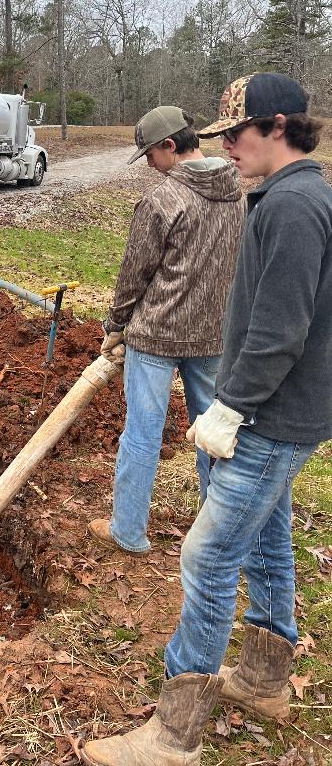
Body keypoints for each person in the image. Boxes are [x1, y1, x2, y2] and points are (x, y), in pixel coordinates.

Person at [83, 72, 332, 766]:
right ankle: (262, 677)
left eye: (237, 135)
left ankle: (173, 734)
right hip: (285, 410)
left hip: (272, 416)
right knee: (268, 539)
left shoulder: (292, 206)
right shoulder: (284, 196)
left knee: (208, 553)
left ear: (276, 125)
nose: (228, 150)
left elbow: (282, 330)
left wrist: (232, 407)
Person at [89, 105, 244, 555]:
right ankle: (215, 534)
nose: (151, 165)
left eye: (151, 155)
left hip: (156, 335)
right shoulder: (238, 194)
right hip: (213, 335)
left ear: (169, 146)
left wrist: (115, 325)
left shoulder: (161, 201)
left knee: (142, 433)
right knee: (214, 435)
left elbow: (134, 275)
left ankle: (129, 532)